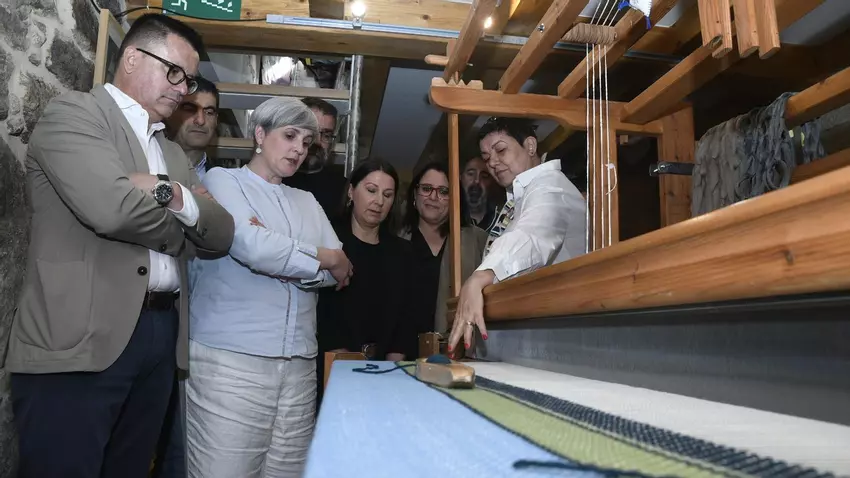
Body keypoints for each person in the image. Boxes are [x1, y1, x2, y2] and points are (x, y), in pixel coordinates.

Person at [5, 13, 234, 478]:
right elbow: (111, 210)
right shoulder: (73, 115)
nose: (183, 89)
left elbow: (222, 234)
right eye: (175, 73)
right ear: (131, 58)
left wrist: (171, 192)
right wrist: (184, 226)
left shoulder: (171, 152)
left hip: (161, 336)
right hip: (79, 339)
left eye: (189, 80)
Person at [186, 96, 352, 478]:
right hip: (231, 364)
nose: (299, 149)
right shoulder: (223, 180)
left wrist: (290, 257)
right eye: (289, 136)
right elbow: (253, 248)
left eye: (306, 142)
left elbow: (339, 273)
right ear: (260, 134)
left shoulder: (306, 200)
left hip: (299, 367)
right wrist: (324, 256)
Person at [447, 117, 586, 353]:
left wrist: (479, 277)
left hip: (562, 336)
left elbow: (531, 236)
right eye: (487, 157)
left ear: (530, 146)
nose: (493, 163)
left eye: (501, 150)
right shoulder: (519, 198)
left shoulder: (550, 186)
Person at [155, 76, 220, 478]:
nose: (200, 120)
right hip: (151, 313)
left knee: (187, 447)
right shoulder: (148, 161)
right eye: (191, 108)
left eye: (210, 112)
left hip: (203, 335)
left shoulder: (228, 183)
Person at [317, 158, 411, 401]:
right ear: (351, 191)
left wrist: (392, 373)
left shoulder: (402, 252)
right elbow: (324, 314)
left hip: (387, 374)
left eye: (387, 195)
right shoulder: (330, 243)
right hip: (334, 369)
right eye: (371, 190)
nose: (379, 201)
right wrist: (346, 366)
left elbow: (404, 321)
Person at [399, 161, 488, 358]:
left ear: (455, 198)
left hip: (458, 355)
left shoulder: (478, 240)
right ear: (415, 194)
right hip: (401, 354)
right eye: (427, 189)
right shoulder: (395, 240)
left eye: (443, 191)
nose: (434, 197)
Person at [282, 97, 347, 214]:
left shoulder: (343, 189)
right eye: (311, 132)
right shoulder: (273, 178)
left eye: (326, 135)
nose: (317, 142)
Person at [164, 76, 219, 182]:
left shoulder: (223, 182)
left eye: (209, 112)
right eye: (190, 110)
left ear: (216, 120)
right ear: (170, 113)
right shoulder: (147, 166)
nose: (201, 120)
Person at [462, 156, 501, 232]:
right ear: (460, 177)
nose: (477, 180)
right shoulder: (451, 218)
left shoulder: (500, 220)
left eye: (484, 176)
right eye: (471, 174)